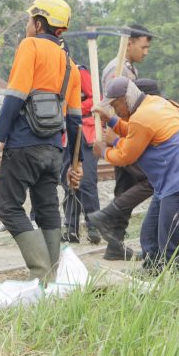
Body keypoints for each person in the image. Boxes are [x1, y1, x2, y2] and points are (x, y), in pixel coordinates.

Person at [0, 0, 83, 283]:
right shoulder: (71, 65)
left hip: (23, 144)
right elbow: (75, 120)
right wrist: (75, 162)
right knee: (47, 208)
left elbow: (16, 95)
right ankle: (51, 276)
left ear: (39, 23)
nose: (28, 25)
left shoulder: (30, 46)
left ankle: (41, 272)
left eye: (30, 19)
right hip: (54, 149)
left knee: (7, 207)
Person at [93, 76, 179, 271]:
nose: (116, 110)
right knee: (149, 233)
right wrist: (111, 120)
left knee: (169, 241)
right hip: (169, 183)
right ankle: (152, 271)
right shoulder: (154, 103)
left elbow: (126, 156)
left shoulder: (142, 118)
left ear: (126, 98)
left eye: (116, 105)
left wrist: (103, 151)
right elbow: (135, 131)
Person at [88, 25, 155, 261]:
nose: (146, 52)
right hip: (122, 137)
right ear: (130, 43)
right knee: (140, 183)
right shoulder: (117, 70)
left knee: (126, 189)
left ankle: (114, 244)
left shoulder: (129, 68)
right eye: (143, 46)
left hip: (127, 135)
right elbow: (115, 105)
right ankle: (108, 228)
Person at [59, 63, 102, 244]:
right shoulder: (56, 73)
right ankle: (71, 229)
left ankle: (94, 227)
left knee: (87, 181)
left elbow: (96, 99)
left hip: (84, 131)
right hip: (66, 133)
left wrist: (72, 108)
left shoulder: (79, 72)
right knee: (68, 181)